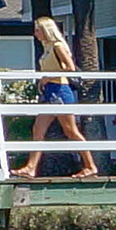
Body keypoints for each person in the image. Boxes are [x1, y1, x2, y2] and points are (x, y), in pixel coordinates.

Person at [29, 16, 89, 178]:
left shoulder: (57, 46)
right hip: (50, 92)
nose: (35, 33)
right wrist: (44, 79)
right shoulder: (47, 48)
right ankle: (31, 167)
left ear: (46, 30)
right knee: (38, 130)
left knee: (71, 131)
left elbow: (70, 68)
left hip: (60, 90)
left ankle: (90, 165)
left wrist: (49, 76)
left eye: (38, 30)